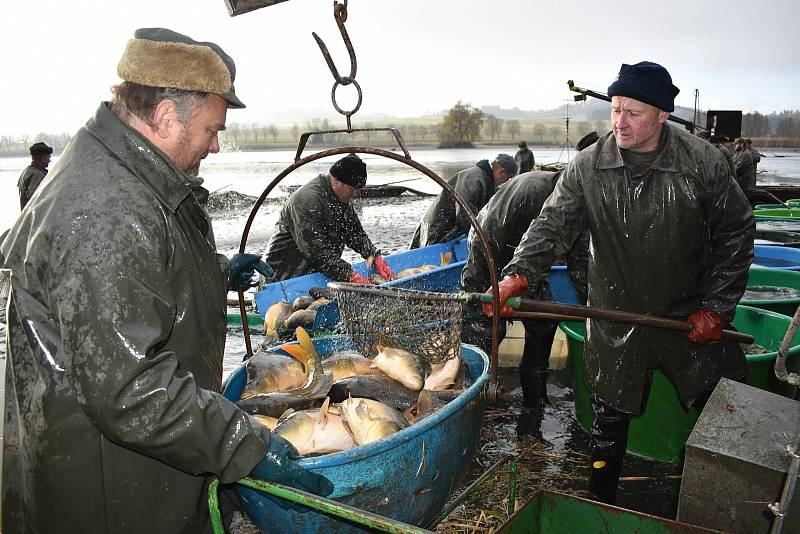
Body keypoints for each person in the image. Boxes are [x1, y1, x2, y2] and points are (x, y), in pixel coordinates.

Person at [0, 27, 331, 534]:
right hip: (108, 497)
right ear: (163, 115)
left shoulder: (132, 174)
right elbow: (129, 389)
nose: (216, 146)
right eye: (210, 130)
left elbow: (139, 286)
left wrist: (218, 274)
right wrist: (243, 444)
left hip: (143, 469)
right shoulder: (104, 208)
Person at [484, 61, 753, 505]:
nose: (620, 123)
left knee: (721, 403)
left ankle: (731, 500)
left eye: (634, 113)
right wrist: (517, 275)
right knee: (607, 423)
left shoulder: (703, 163)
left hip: (686, 313)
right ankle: (601, 504)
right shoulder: (589, 167)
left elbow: (737, 232)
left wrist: (718, 307)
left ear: (663, 115)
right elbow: (552, 225)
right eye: (615, 110)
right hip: (614, 311)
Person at [461, 133, 598, 407]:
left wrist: (593, 312)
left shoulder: (584, 204)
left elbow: (580, 267)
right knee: (485, 328)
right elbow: (487, 238)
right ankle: (474, 400)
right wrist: (490, 286)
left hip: (528, 262)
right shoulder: (541, 191)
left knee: (544, 324)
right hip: (489, 248)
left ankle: (534, 402)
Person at [265, 153, 395, 284]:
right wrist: (351, 275)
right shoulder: (307, 200)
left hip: (313, 273)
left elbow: (354, 233)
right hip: (282, 276)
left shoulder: (342, 198)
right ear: (336, 180)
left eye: (358, 189)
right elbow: (318, 252)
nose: (355, 194)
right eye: (352, 189)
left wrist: (373, 255)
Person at [410, 154, 518, 248]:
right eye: (508, 178)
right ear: (501, 172)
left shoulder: (486, 180)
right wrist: (484, 238)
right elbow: (465, 215)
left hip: (449, 227)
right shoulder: (474, 179)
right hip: (437, 228)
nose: (505, 183)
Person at [17, 141, 53, 209]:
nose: (50, 160)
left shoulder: (27, 171)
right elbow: (36, 202)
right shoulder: (37, 175)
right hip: (35, 218)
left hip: (26, 216)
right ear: (43, 158)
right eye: (49, 157)